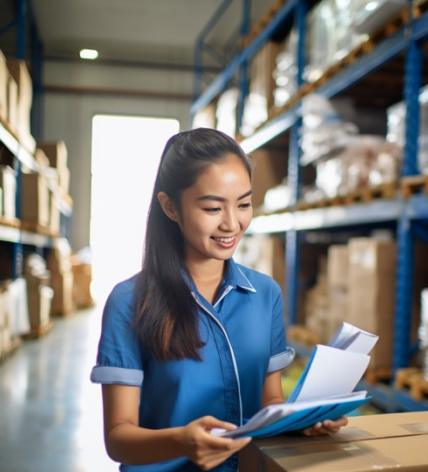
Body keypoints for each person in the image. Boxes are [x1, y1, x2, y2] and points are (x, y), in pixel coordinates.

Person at [90, 128, 346, 471]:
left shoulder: (266, 294)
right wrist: (181, 440)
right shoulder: (130, 301)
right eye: (213, 208)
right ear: (170, 207)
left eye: (243, 204)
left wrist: (305, 421)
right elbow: (119, 440)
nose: (232, 224)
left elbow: (270, 401)